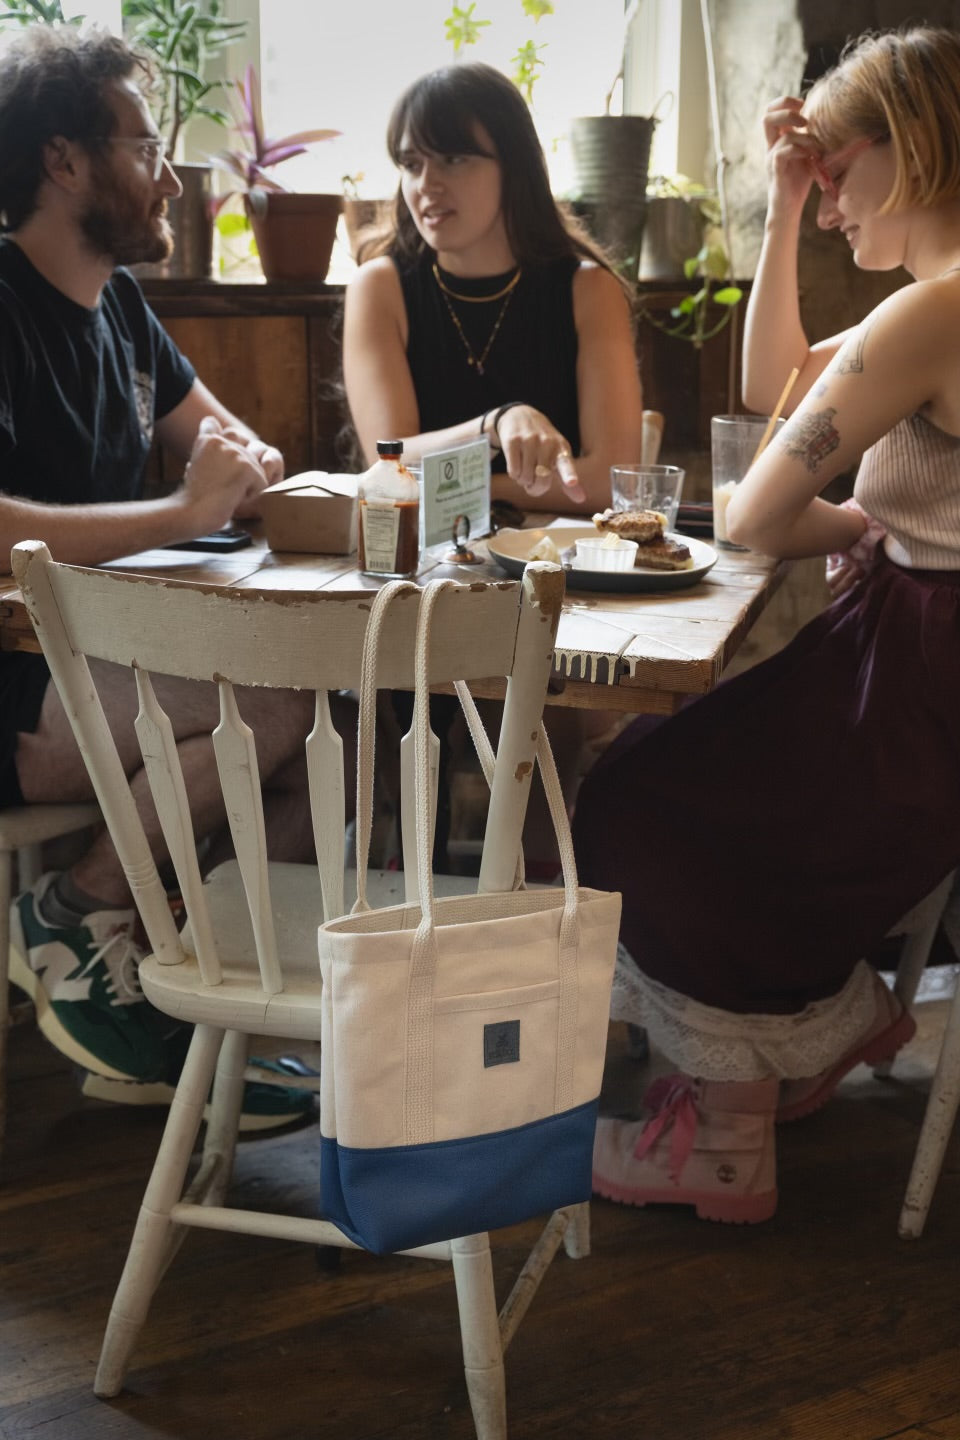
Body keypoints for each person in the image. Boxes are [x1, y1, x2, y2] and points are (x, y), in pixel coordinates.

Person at [574, 25, 960, 1222]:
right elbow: (775, 381)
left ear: (916, 148)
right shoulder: (925, 311)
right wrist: (784, 204)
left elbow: (749, 510)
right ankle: (763, 1065)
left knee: (651, 797)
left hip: (920, 670)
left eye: (836, 171)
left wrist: (846, 528)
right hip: (913, 647)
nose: (835, 202)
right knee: (690, 784)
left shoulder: (933, 316)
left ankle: (725, 1133)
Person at [1, 27, 316, 1128]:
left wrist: (247, 472)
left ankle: (176, 985)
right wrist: (185, 510)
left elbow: (234, 448)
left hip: (99, 661)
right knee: (278, 706)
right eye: (145, 144)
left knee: (319, 740)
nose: (171, 173)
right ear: (64, 162)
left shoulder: (125, 312)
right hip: (15, 687)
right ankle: (77, 916)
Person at [343, 62, 644, 866]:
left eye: (454, 159)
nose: (425, 184)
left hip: (558, 591)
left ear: (515, 165)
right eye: (410, 162)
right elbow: (388, 461)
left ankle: (537, 937)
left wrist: (456, 479)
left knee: (549, 719)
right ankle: (399, 935)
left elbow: (610, 480)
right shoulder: (381, 286)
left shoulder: (587, 290)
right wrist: (497, 425)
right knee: (383, 717)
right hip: (409, 584)